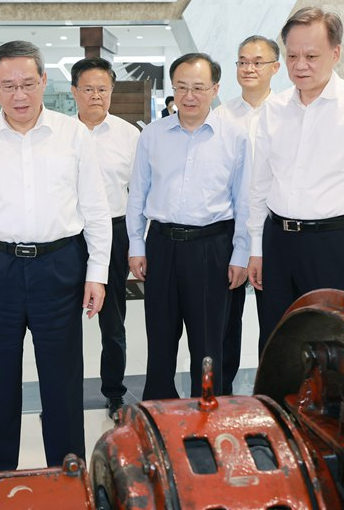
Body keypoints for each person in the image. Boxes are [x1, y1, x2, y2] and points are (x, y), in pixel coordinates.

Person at [0, 41, 111, 472]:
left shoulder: (72, 135)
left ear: (44, 81)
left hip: (60, 265)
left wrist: (97, 272)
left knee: (62, 377)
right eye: (8, 85)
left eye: (28, 83)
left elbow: (96, 208)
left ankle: (68, 469)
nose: (19, 95)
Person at [247, 8, 344, 355]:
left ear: (335, 53)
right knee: (277, 342)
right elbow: (259, 185)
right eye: (292, 56)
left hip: (334, 246)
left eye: (311, 56)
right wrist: (256, 248)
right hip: (278, 242)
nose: (300, 65)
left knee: (333, 346)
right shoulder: (273, 109)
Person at [126, 52, 250, 400]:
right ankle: (159, 414)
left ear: (215, 89)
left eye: (198, 87)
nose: (189, 96)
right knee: (160, 340)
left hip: (213, 247)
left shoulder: (234, 137)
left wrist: (241, 253)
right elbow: (137, 194)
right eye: (181, 87)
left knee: (209, 344)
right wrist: (136, 245)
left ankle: (207, 416)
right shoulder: (153, 135)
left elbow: (244, 200)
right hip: (162, 245)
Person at [70, 57, 140, 420]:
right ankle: (63, 396)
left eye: (102, 89)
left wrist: (138, 243)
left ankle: (114, 393)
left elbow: (140, 194)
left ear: (111, 91)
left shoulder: (129, 136)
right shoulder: (60, 134)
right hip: (69, 235)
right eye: (88, 89)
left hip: (114, 232)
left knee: (112, 320)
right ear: (74, 92)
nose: (95, 95)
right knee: (62, 322)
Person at [216, 35, 280, 394]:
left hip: (277, 226)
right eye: (242, 61)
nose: (249, 68)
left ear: (275, 67)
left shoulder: (287, 111)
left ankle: (271, 392)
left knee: (275, 318)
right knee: (226, 319)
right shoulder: (220, 116)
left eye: (257, 61)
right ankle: (222, 394)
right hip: (230, 229)